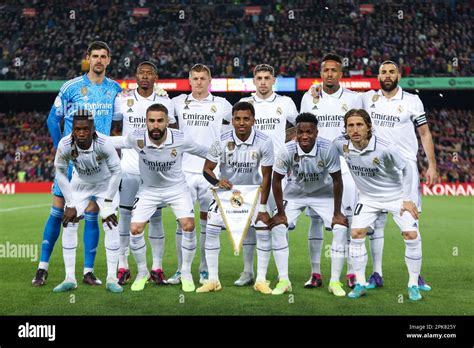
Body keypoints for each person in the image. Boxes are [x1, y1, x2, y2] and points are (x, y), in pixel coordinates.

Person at [33, 41, 122, 287]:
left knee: (93, 214)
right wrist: (60, 150)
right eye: (95, 56)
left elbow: (125, 118)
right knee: (59, 212)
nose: (99, 60)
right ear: (88, 58)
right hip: (73, 162)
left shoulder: (115, 89)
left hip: (99, 164)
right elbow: (53, 119)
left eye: (104, 56)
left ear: (109, 60)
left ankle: (88, 272)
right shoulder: (71, 87)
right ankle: (42, 268)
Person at [111, 103, 208, 292]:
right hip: (149, 190)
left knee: (188, 225)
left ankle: (186, 273)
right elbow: (117, 142)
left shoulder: (180, 139)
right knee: (136, 229)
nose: (155, 125)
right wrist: (92, 137)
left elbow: (204, 151)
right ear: (146, 122)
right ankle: (142, 273)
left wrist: (222, 162)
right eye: (151, 121)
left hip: (177, 189)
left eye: (160, 121)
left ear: (168, 122)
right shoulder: (137, 137)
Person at [333, 109, 425, 301]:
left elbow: (407, 168)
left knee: (411, 235)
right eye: (351, 125)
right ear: (345, 128)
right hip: (368, 198)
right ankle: (360, 283)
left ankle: (413, 284)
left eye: (360, 125)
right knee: (356, 234)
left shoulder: (385, 147)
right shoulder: (340, 144)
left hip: (396, 196)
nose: (355, 129)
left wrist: (408, 199)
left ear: (368, 127)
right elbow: (322, 147)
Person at [360, 61, 436, 291]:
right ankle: (376, 273)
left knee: (410, 222)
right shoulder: (368, 99)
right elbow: (341, 95)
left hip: (405, 170)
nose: (387, 75)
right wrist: (315, 88)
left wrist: (432, 165)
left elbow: (424, 133)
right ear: (378, 76)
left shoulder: (412, 100)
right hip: (375, 168)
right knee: (376, 223)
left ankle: (416, 276)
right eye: (383, 72)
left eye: (391, 71)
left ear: (399, 75)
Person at [195, 101, 274, 294]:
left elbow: (267, 176)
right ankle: (213, 280)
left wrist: (262, 208)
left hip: (254, 191)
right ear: (232, 120)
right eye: (237, 118)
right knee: (211, 229)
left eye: (246, 119)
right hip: (226, 193)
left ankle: (261, 280)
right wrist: (217, 182)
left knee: (263, 229)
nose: (241, 123)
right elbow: (207, 169)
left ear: (253, 120)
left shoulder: (265, 141)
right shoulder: (221, 140)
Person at [300, 53, 362, 289]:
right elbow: (303, 131)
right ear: (321, 74)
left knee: (345, 218)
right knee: (315, 219)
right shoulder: (309, 98)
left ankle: (351, 271)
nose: (329, 74)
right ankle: (315, 273)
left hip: (344, 166)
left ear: (341, 74)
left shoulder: (355, 98)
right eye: (325, 71)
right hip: (315, 166)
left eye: (334, 71)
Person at [112, 61, 176, 286]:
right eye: (142, 73)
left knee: (156, 217)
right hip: (129, 168)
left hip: (154, 169)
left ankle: (156, 267)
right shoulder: (123, 100)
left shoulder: (165, 100)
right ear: (136, 76)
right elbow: (112, 125)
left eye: (150, 73)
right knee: (125, 217)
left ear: (156, 77)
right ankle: (122, 265)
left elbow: (174, 133)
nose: (145, 76)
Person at [271, 113, 349, 296]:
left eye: (309, 132)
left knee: (340, 228)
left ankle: (335, 282)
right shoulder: (287, 149)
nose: (304, 136)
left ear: (316, 132)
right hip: (295, 193)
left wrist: (337, 212)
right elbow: (276, 181)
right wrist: (281, 213)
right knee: (278, 227)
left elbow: (338, 180)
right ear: (295, 132)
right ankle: (284, 280)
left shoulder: (327, 148)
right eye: (300, 132)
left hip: (324, 194)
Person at [235, 64, 298, 287]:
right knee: (251, 225)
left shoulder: (285, 103)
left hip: (278, 173)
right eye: (259, 78)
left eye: (267, 78)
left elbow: (299, 128)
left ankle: (283, 277)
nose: (263, 82)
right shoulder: (245, 103)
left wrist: (287, 149)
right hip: (250, 174)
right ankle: (248, 272)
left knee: (279, 224)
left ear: (274, 81)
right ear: (254, 81)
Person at [169, 64, 232, 286]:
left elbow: (240, 124)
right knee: (182, 223)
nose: (198, 82)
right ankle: (180, 269)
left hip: (210, 173)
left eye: (203, 78)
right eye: (195, 78)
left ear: (209, 80)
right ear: (189, 80)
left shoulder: (222, 105)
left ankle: (204, 270)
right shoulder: (177, 103)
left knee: (208, 223)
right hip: (183, 172)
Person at [52, 111, 122, 293]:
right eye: (77, 129)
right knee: (68, 222)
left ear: (93, 129)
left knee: (110, 223)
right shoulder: (65, 144)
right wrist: (70, 203)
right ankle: (69, 278)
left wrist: (107, 204)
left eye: (85, 129)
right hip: (80, 184)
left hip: (106, 185)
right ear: (73, 131)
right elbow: (59, 172)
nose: (81, 133)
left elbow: (117, 172)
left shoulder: (104, 143)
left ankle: (112, 278)